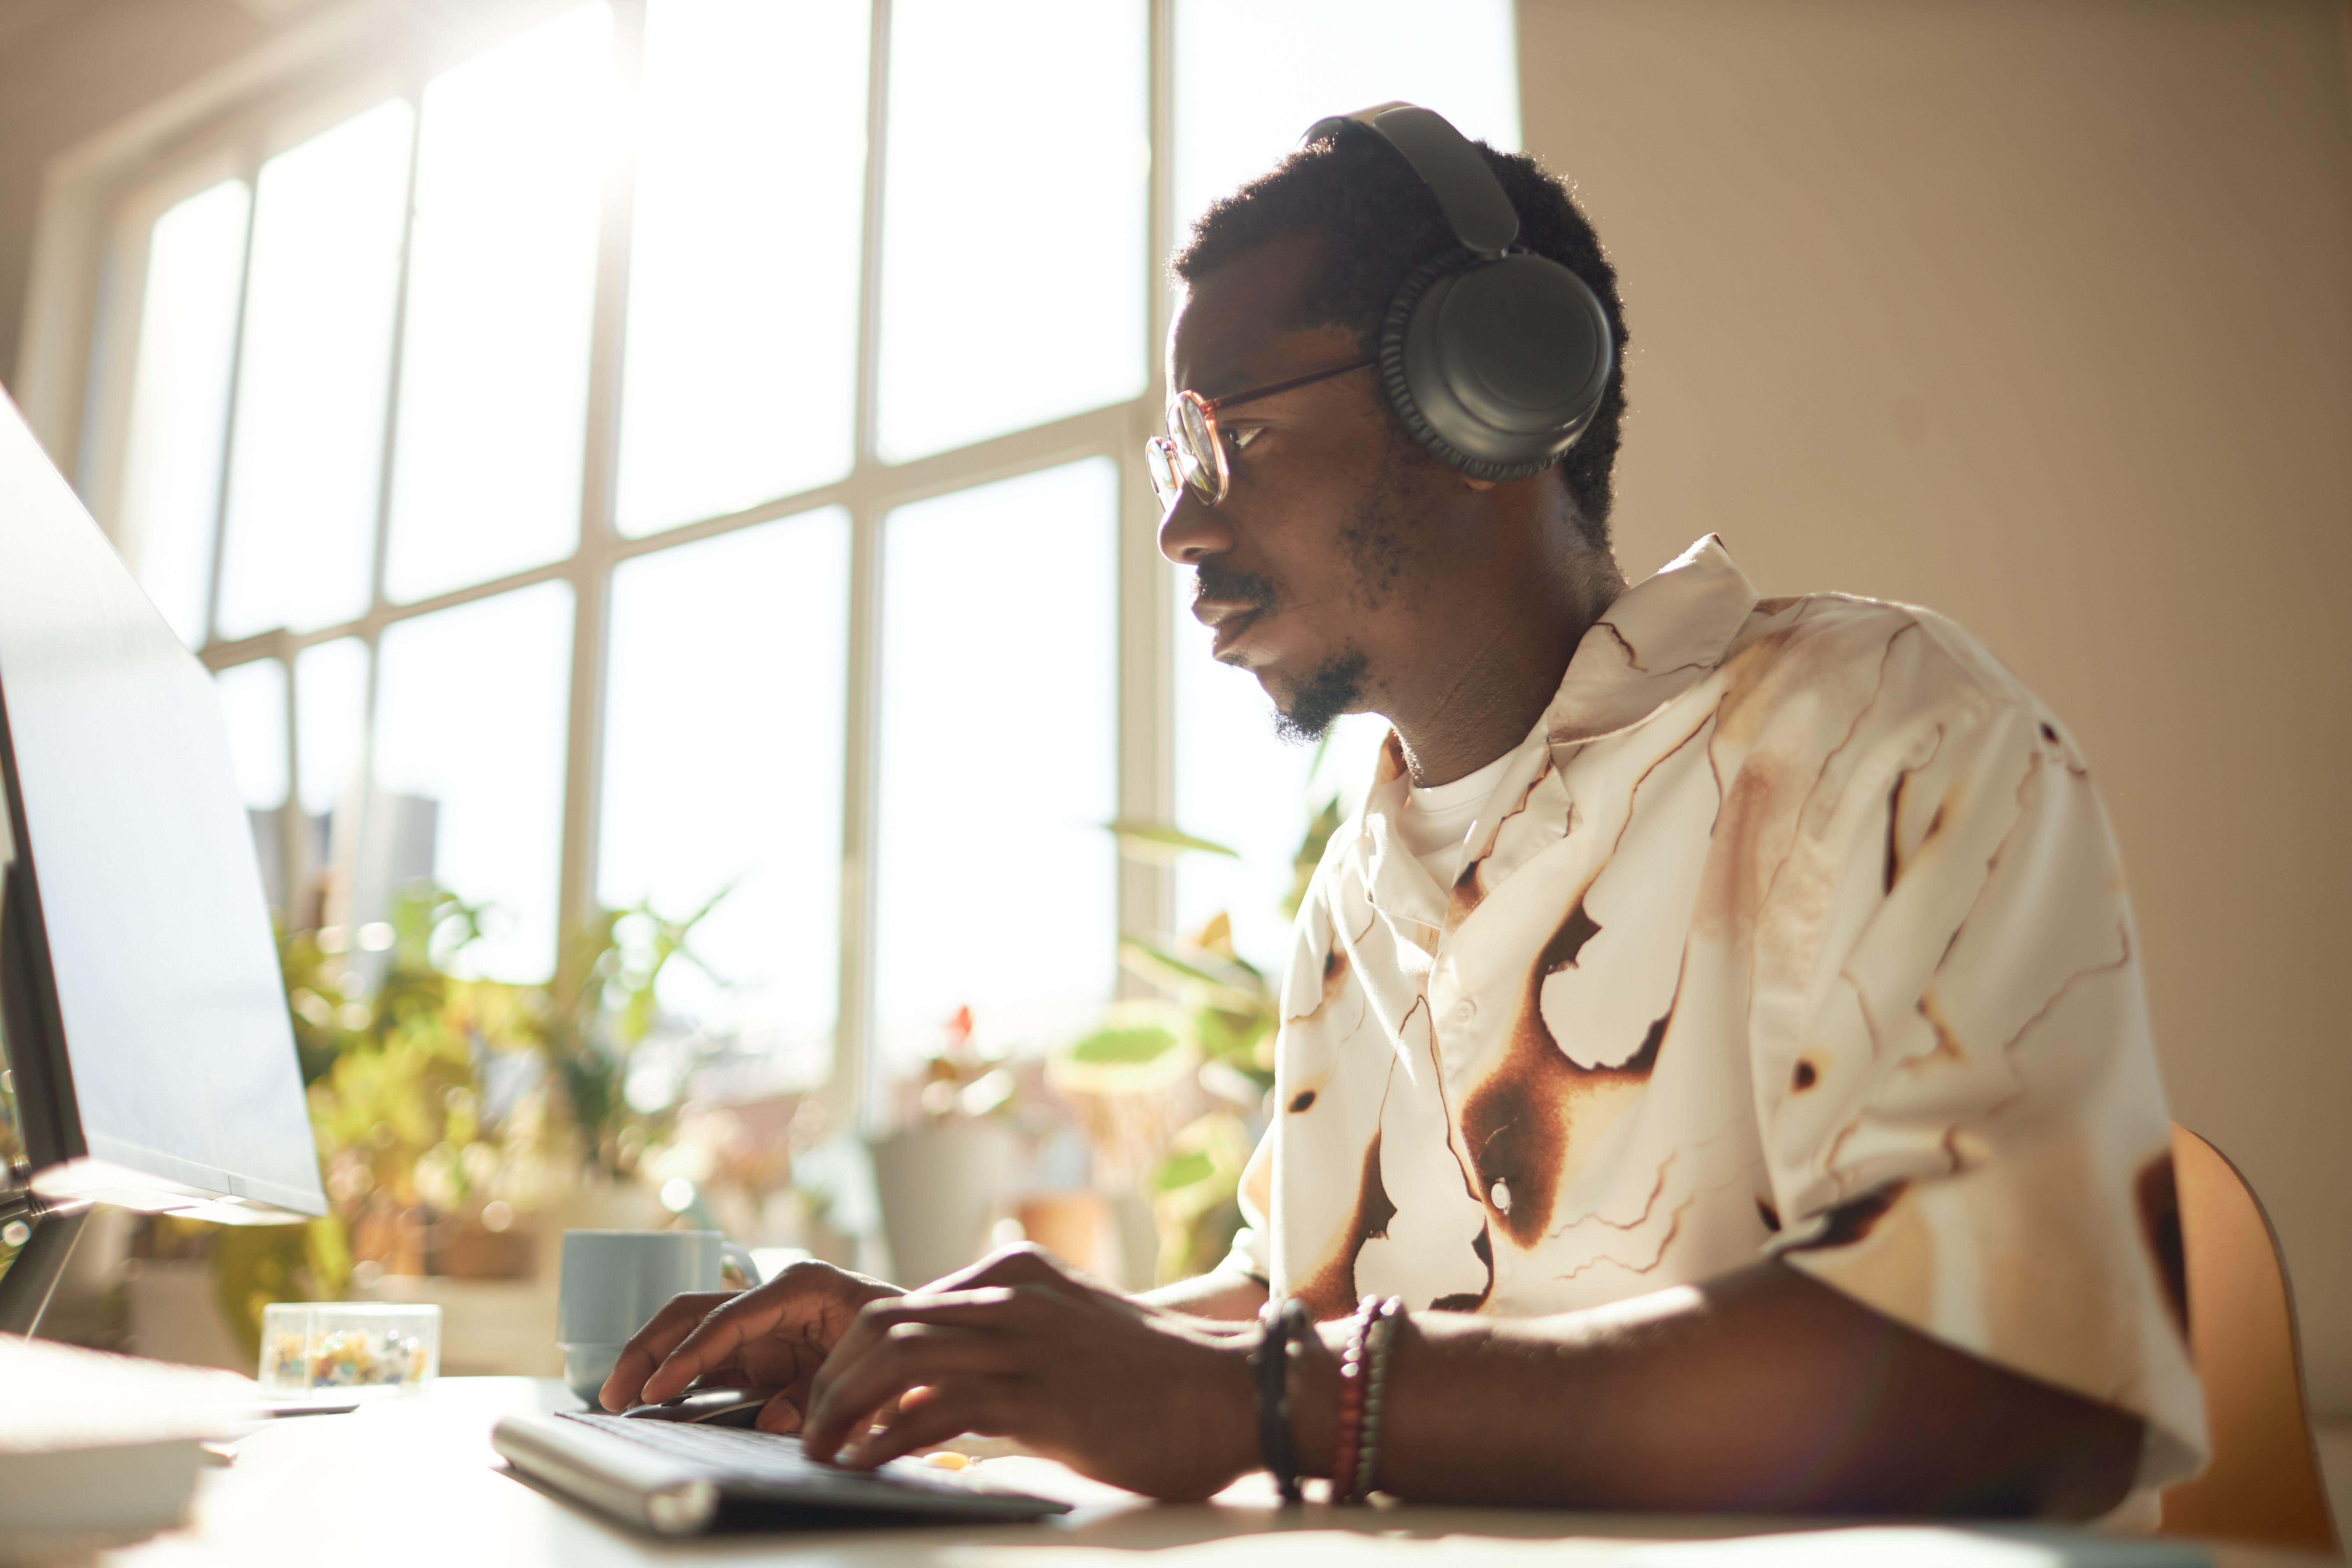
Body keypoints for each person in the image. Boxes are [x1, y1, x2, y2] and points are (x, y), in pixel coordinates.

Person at [598, 111, 2205, 1522]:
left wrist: (1286, 1403)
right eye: (1178, 449)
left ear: (1486, 396)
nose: (1175, 520)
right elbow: (1294, 1307)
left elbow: (2018, 1383)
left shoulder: (1868, 732)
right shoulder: (1355, 892)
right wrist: (947, 1350)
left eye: (1231, 433)